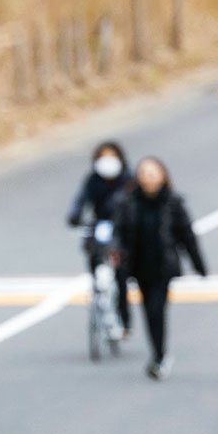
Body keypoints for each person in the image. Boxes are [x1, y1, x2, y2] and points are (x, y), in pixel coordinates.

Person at [113, 156, 207, 380]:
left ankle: (159, 355)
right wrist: (116, 250)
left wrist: (199, 265)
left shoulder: (173, 203)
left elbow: (187, 236)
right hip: (138, 266)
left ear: (163, 176)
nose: (149, 178)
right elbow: (119, 232)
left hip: (163, 267)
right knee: (146, 309)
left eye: (153, 173)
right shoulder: (129, 202)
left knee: (156, 309)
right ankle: (131, 328)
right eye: (144, 173)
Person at [66, 139, 135, 338]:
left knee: (121, 275)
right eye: (103, 157)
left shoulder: (128, 180)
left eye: (112, 157)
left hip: (120, 229)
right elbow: (80, 201)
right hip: (99, 226)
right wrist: (75, 216)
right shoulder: (92, 180)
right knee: (95, 264)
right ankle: (99, 298)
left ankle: (124, 319)